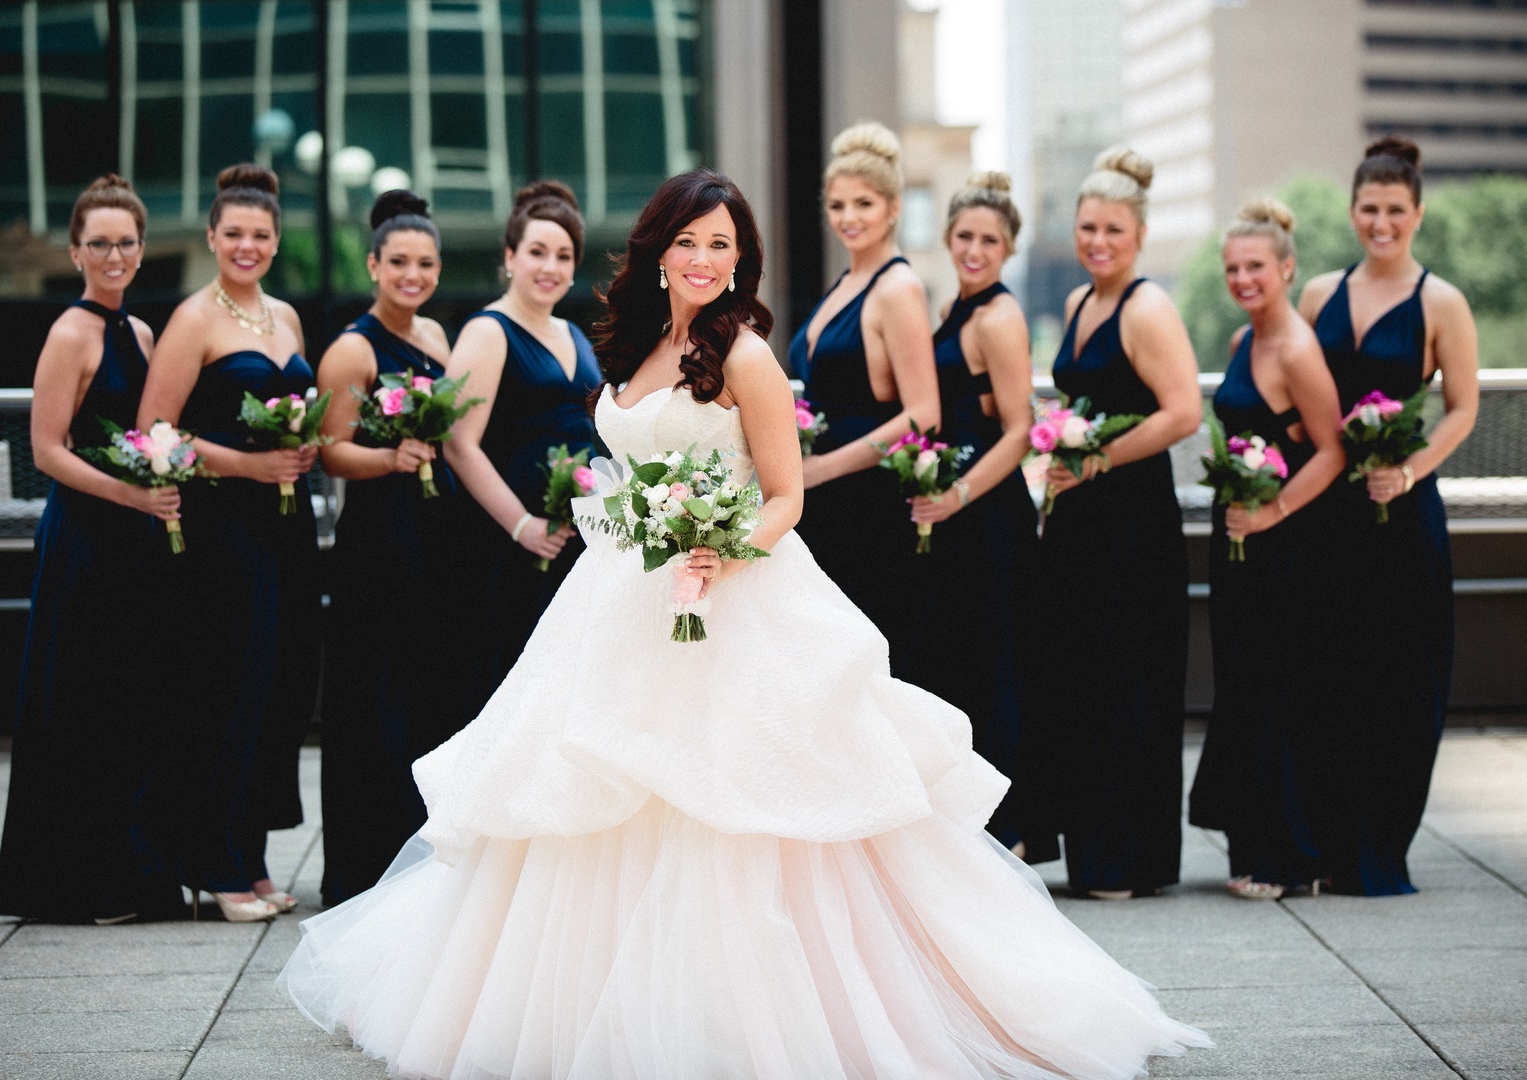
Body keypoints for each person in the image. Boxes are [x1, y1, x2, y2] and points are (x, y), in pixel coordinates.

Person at [278, 168, 1209, 1078]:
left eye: (721, 244)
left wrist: (721, 550)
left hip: (731, 588)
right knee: (594, 786)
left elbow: (786, 495)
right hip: (621, 589)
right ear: (657, 249)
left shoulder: (745, 354)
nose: (703, 258)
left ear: (741, 259)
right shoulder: (633, 345)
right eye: (687, 240)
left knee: (739, 794)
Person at [0, 174, 184, 924]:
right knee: (78, 700)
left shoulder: (138, 334)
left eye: (126, 243)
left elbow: (145, 434)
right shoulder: (70, 333)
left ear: (142, 250)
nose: (114, 255)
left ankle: (124, 870)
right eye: (99, 243)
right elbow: (46, 450)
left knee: (124, 703)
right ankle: (70, 881)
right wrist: (134, 494)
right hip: (83, 536)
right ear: (75, 251)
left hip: (132, 539)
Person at [138, 164, 320, 922]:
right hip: (222, 528)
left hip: (287, 522)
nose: (247, 246)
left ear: (277, 243)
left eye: (261, 235)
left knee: (277, 689)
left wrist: (302, 446)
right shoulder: (193, 319)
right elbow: (155, 429)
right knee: (226, 686)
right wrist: (249, 462)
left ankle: (251, 858)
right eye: (234, 234)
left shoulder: (285, 318)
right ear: (212, 237)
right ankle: (214, 865)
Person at [1296, 136, 1478, 895]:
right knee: (1329, 674)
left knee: (1400, 679)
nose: (1381, 221)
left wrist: (1408, 471)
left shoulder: (1442, 302)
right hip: (1328, 519)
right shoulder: (1316, 295)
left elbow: (1464, 409)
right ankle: (1327, 843)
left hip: (1401, 519)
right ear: (1351, 212)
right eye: (1369, 209)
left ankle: (1382, 845)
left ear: (1418, 214)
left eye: (1395, 210)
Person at [1028, 146, 1202, 899]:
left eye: (1113, 230)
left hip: (1132, 522)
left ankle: (1130, 859)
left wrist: (1098, 460)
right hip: (1077, 521)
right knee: (1079, 676)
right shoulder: (1076, 305)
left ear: (1139, 234)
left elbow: (1184, 411)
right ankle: (1089, 846)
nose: (1098, 241)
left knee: (1128, 679)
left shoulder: (1148, 307)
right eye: (1087, 227)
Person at [1187, 199, 1345, 900]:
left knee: (1280, 692)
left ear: (1286, 267)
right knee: (1244, 690)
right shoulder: (1239, 344)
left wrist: (1273, 511)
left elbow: (1334, 450)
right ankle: (1252, 847)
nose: (1243, 279)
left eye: (1256, 267)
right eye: (1232, 269)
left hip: (1285, 548)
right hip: (1238, 541)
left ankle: (1289, 857)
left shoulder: (1299, 350)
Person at [315, 189, 463, 905]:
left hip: (434, 536)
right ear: (373, 264)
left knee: (427, 684)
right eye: (399, 262)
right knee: (371, 691)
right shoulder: (352, 348)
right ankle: (361, 859)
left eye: (426, 263)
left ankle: (423, 844)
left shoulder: (436, 337)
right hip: (377, 536)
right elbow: (329, 451)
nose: (413, 275)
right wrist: (390, 458)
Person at [905, 171, 1039, 855]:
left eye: (990, 239)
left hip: (988, 514)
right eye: (965, 236)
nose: (975, 249)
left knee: (994, 663)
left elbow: (1020, 430)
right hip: (953, 513)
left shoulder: (1000, 317)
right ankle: (969, 820)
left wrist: (957, 494)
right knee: (959, 660)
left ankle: (1008, 829)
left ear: (1009, 248)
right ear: (949, 237)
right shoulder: (953, 311)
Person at [441, 181, 602, 717]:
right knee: (507, 685)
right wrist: (522, 526)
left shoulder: (575, 335)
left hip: (574, 539)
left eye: (563, 256)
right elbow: (459, 444)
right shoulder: (487, 332)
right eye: (536, 252)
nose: (549, 266)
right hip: (507, 543)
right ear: (510, 258)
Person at [789, 121, 939, 653]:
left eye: (864, 204)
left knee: (866, 653)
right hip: (823, 502)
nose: (848, 218)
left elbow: (923, 413)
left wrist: (824, 467)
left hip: (868, 503)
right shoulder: (845, 284)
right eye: (837, 205)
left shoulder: (898, 288)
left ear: (894, 207)